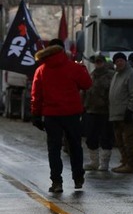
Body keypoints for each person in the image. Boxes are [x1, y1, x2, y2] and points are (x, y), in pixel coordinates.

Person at [31, 39, 93, 193]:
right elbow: (87, 84)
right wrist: (83, 68)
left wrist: (36, 115)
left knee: (54, 149)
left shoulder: (41, 70)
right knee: (75, 147)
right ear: (62, 50)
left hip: (51, 115)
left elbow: (36, 95)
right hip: (71, 114)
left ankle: (57, 182)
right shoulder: (73, 68)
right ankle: (78, 178)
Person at [109, 52, 133, 174]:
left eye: (121, 60)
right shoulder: (116, 74)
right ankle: (124, 161)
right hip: (116, 114)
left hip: (126, 114)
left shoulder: (131, 74)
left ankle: (131, 164)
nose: (119, 63)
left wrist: (130, 110)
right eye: (117, 61)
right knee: (120, 141)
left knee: (129, 140)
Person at [83, 54, 115, 172]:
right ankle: (94, 162)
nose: (98, 64)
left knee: (106, 137)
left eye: (100, 62)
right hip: (91, 110)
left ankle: (104, 163)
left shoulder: (110, 75)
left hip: (105, 111)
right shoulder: (92, 75)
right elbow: (86, 91)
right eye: (96, 62)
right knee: (91, 137)